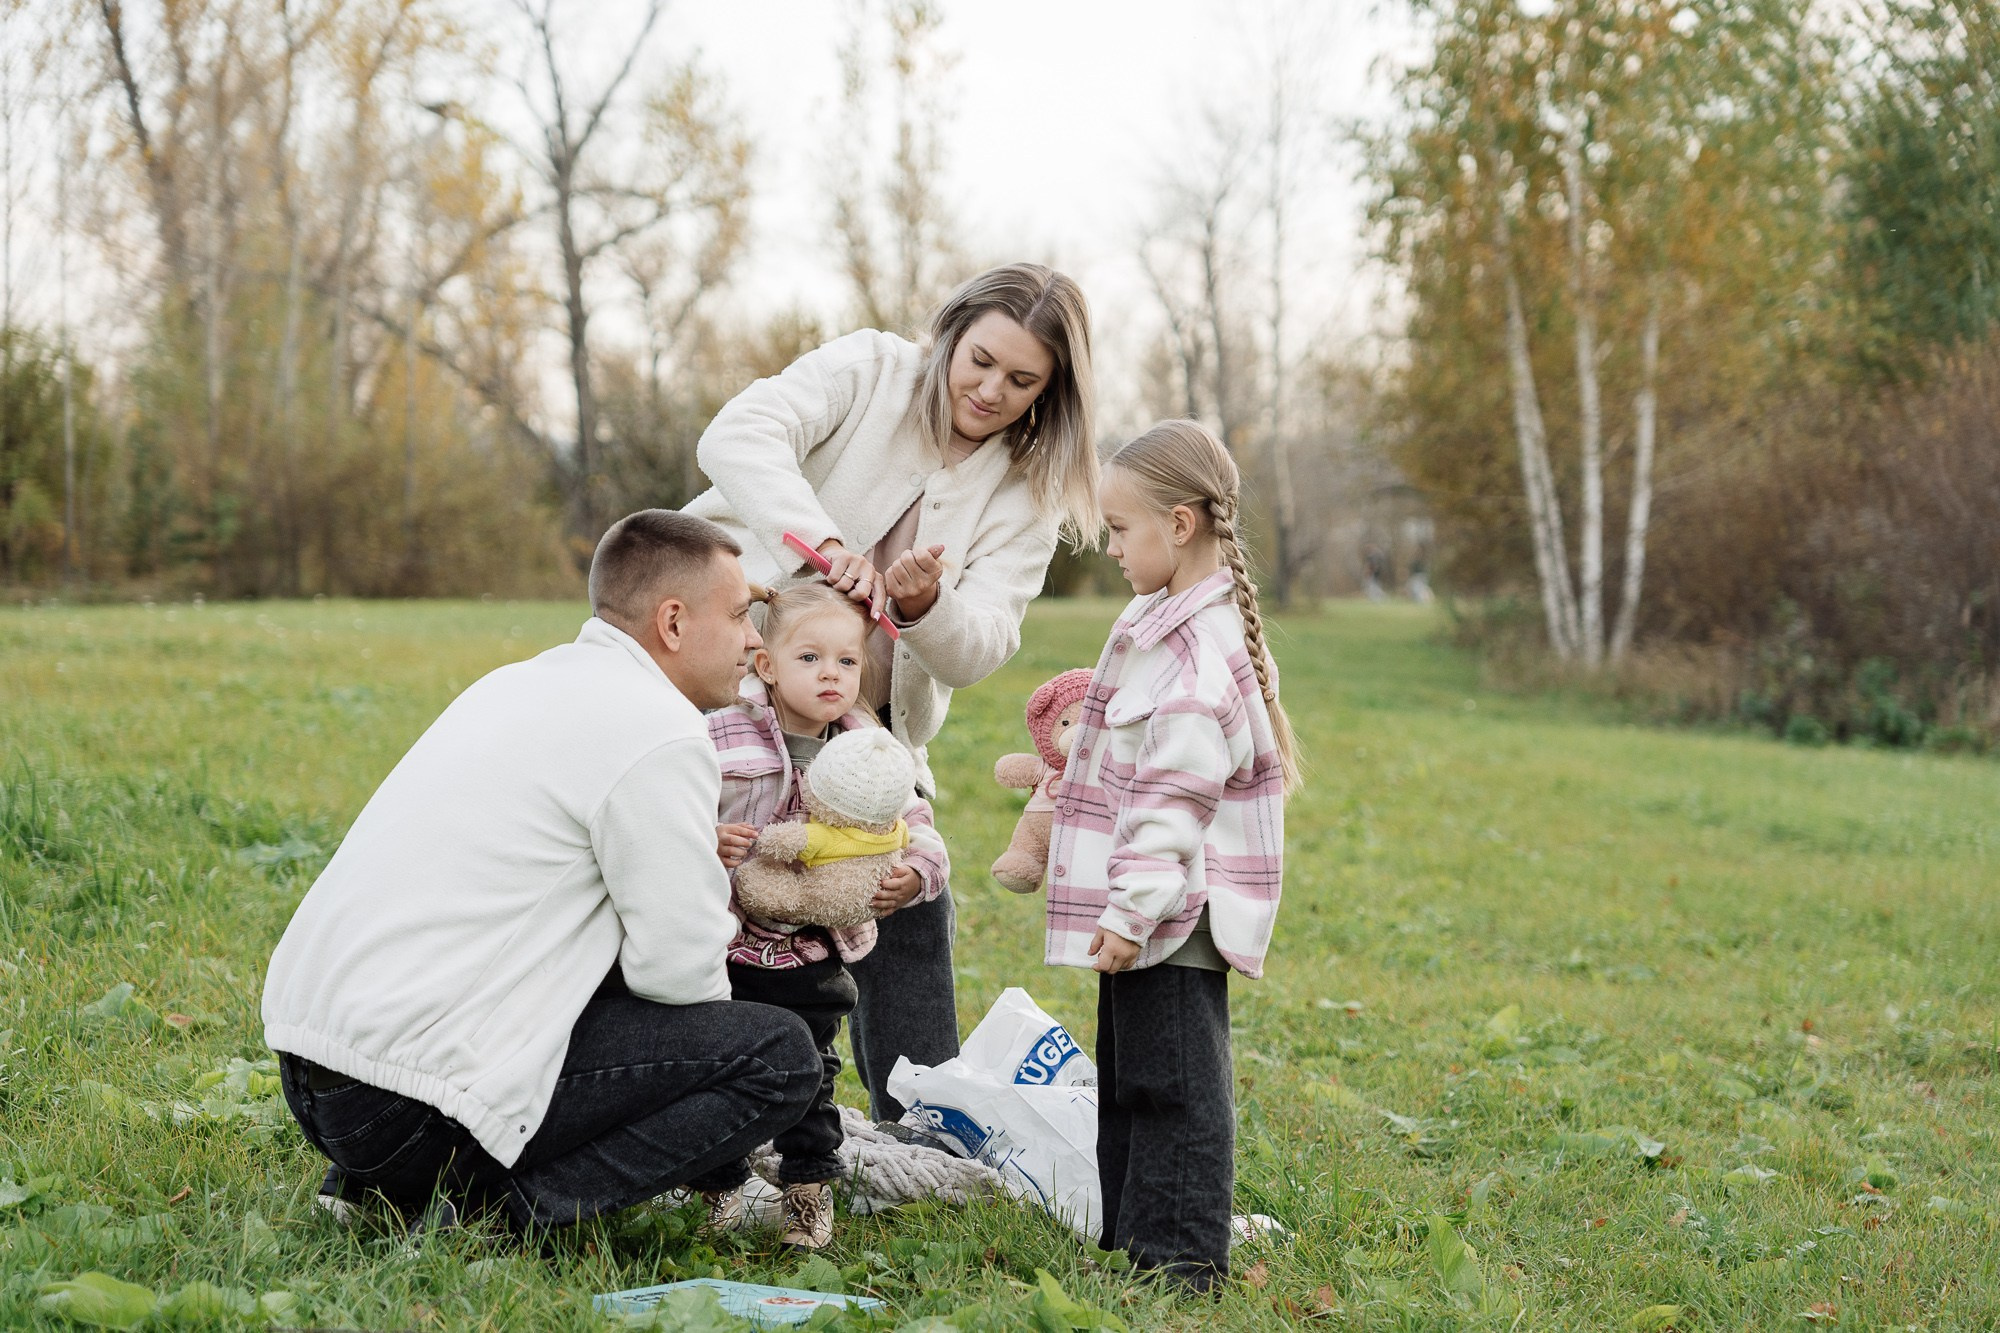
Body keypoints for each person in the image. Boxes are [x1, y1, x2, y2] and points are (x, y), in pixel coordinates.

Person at [260, 510, 823, 1239]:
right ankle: (500, 1213)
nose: (754, 638)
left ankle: (373, 1189)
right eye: (742, 614)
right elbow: (680, 974)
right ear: (674, 622)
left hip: (314, 1068)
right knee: (778, 1056)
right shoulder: (658, 727)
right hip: (407, 1109)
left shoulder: (517, 682)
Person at [684, 261, 1098, 1118]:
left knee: (907, 893)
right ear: (952, 329)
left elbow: (981, 646)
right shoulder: (870, 371)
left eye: (1023, 381)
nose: (990, 389)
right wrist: (824, 544)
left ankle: (919, 1121)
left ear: (1051, 392)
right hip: (735, 687)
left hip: (866, 726)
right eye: (980, 359)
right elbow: (737, 436)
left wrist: (925, 604)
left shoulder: (1027, 493)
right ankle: (705, 1094)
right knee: (707, 874)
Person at [1040, 421, 1303, 1291]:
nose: (1110, 546)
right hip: (1155, 900)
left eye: (1120, 528)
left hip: (1172, 906)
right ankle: (1130, 1237)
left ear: (1181, 523)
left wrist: (1127, 912)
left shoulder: (1193, 657)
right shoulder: (1161, 618)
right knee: (1130, 1076)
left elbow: (1172, 805)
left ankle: (1181, 1263)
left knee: (1174, 1086)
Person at [702, 583, 950, 1248]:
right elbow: (672, 802)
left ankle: (808, 1189)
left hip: (815, 946)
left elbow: (919, 826)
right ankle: (722, 1182)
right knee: (723, 1063)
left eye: (846, 661)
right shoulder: (724, 729)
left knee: (813, 1068)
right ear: (767, 666)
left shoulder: (869, 748)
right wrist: (707, 836)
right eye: (810, 657)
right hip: (724, 941)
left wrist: (915, 875)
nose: (832, 674)